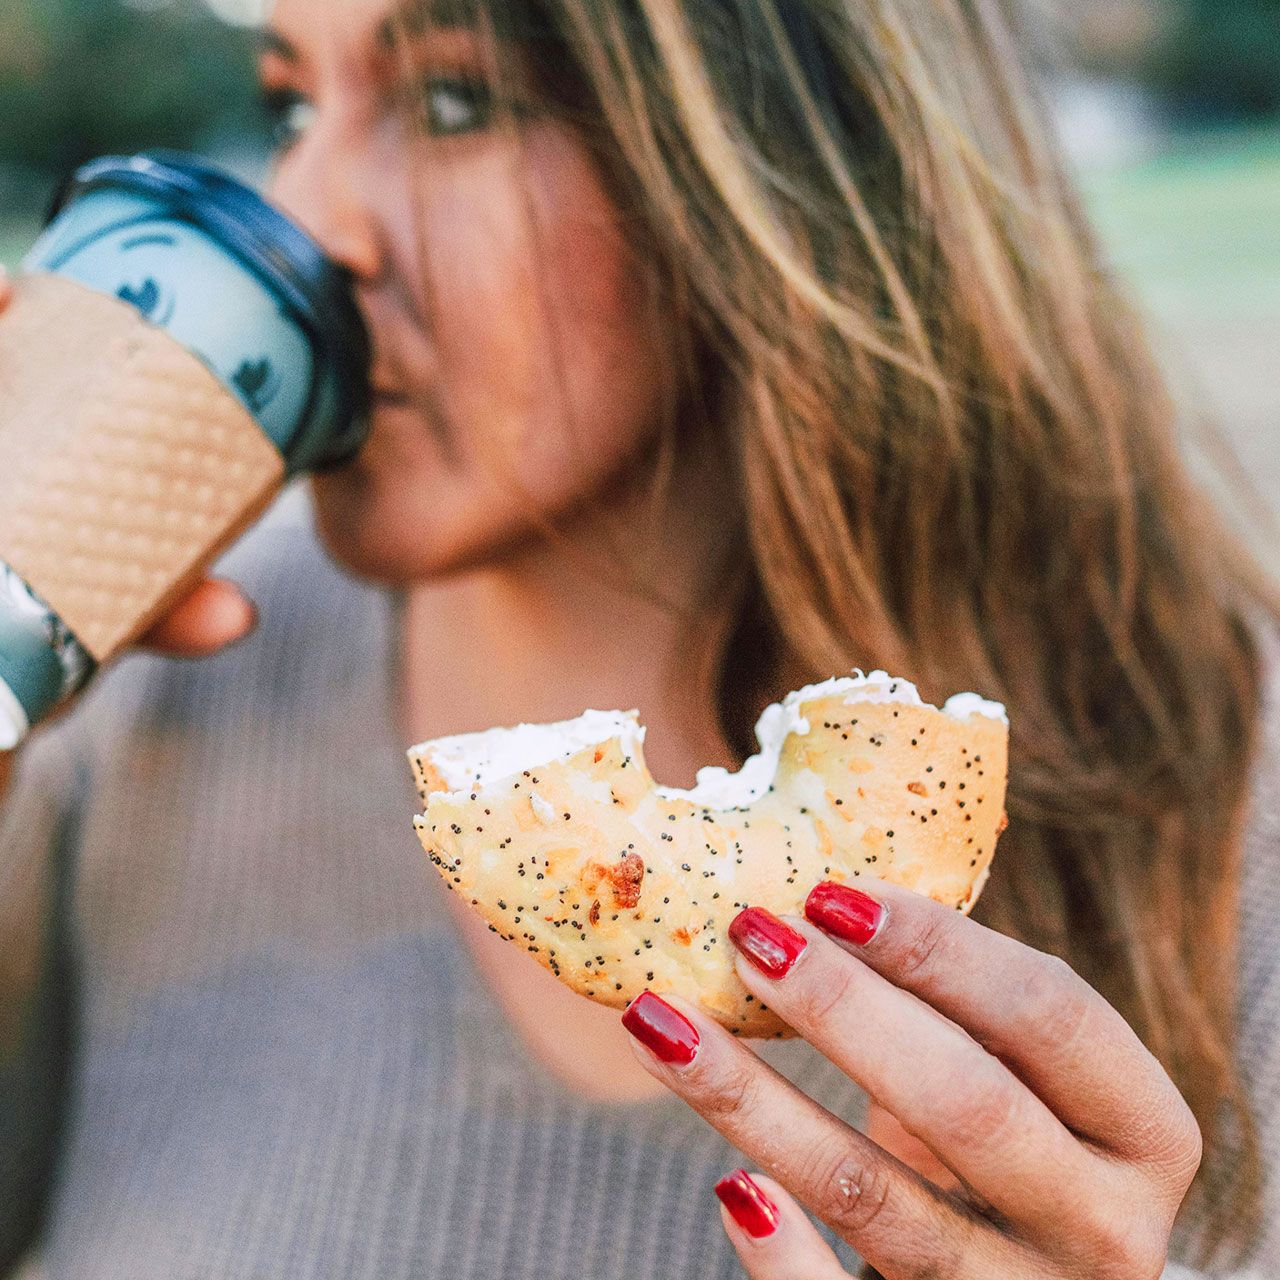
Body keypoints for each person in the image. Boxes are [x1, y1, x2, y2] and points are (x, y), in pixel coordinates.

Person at [1, 0, 1277, 1276]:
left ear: (795, 157)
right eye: (292, 106)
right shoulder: (140, 694)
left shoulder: (1230, 825)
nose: (307, 217)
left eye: (456, 102)